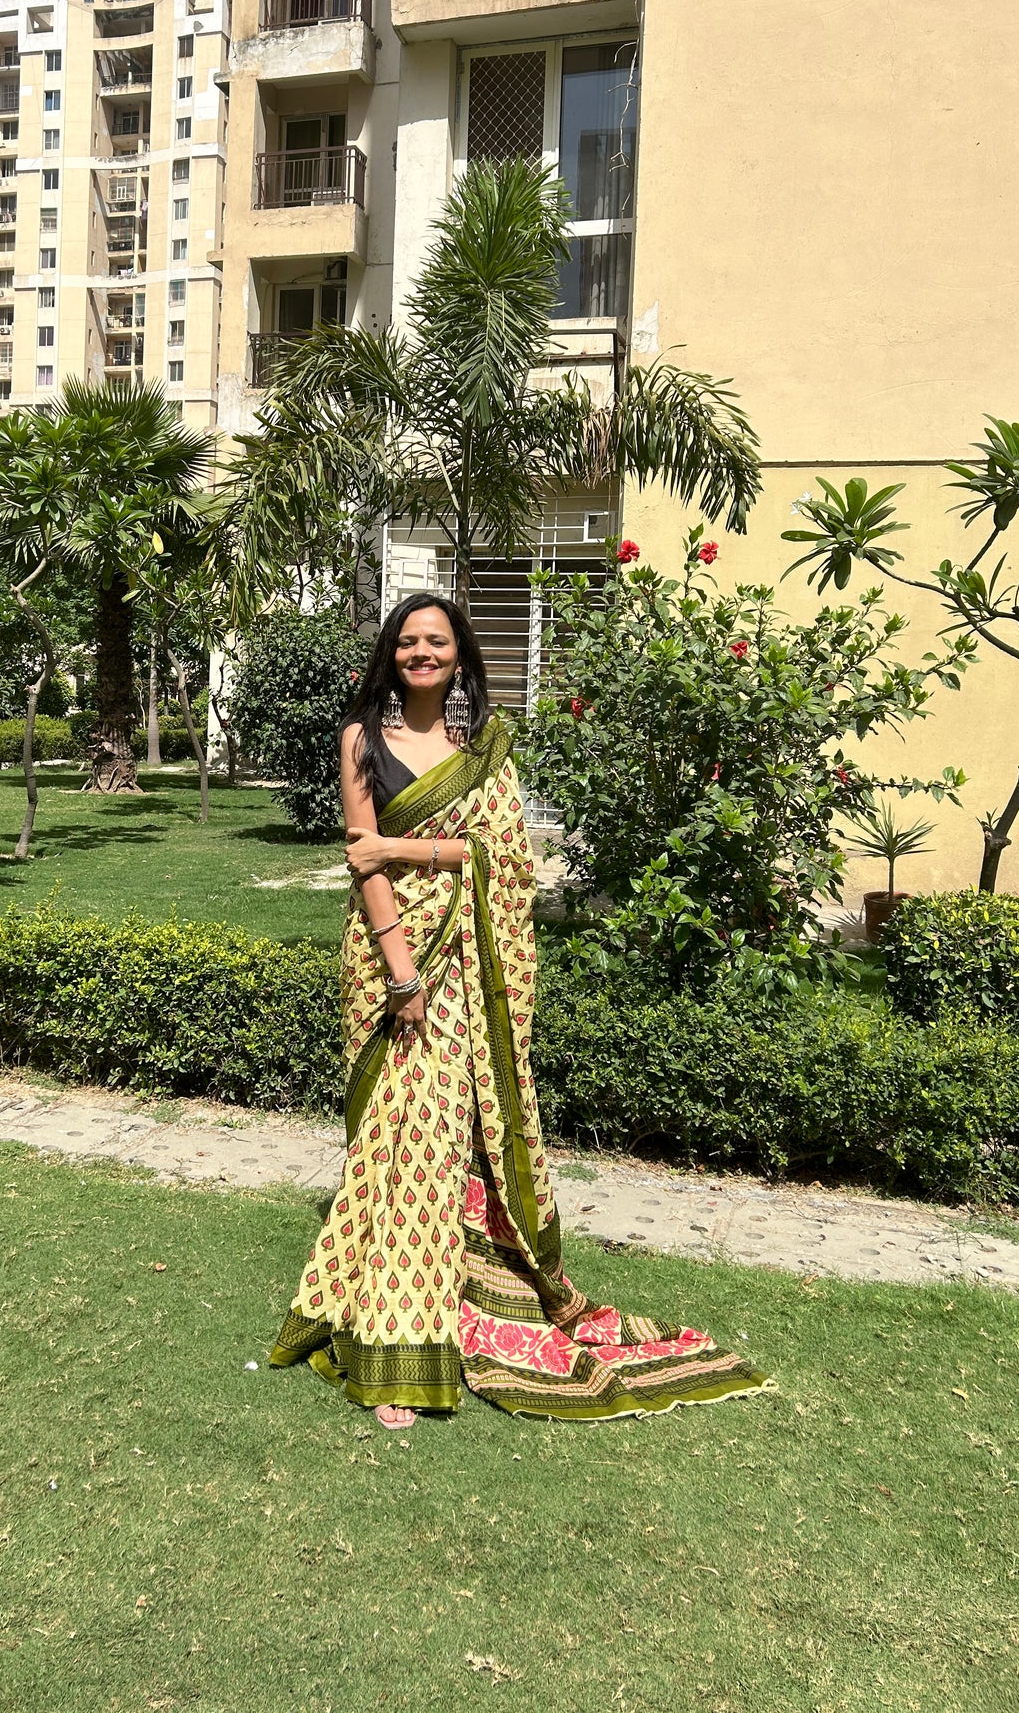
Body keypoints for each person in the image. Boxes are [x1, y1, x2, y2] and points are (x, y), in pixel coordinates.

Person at [269, 593, 768, 1428]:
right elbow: (363, 863)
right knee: (396, 1139)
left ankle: (444, 1308)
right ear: (389, 654)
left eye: (436, 641)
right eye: (407, 641)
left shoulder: (482, 751)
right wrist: (400, 975)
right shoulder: (360, 740)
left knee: (440, 1142)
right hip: (392, 959)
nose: (420, 653)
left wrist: (407, 844)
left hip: (468, 965)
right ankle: (393, 1344)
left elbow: (505, 858)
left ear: (460, 655)